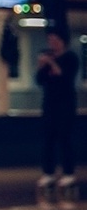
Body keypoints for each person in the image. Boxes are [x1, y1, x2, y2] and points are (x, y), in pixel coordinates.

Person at [35, 29, 79, 198]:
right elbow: (40, 80)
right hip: (50, 104)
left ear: (63, 41)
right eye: (50, 40)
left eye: (55, 39)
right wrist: (42, 65)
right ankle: (49, 173)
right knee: (48, 139)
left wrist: (52, 64)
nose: (52, 43)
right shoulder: (48, 57)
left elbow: (64, 77)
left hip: (65, 105)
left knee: (64, 138)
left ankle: (68, 173)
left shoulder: (70, 58)